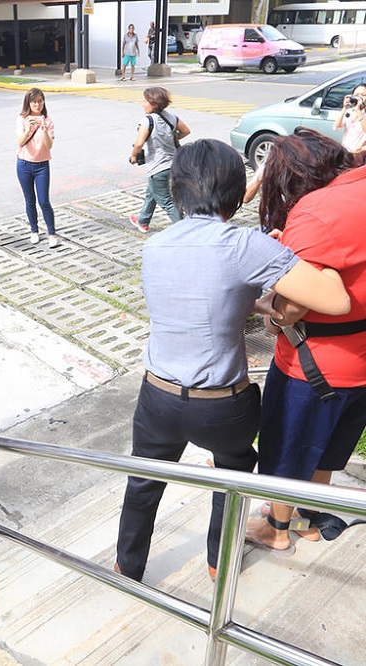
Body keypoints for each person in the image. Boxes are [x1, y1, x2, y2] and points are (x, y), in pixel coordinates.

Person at [115, 139, 351, 582]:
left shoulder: (156, 246)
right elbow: (335, 301)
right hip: (223, 406)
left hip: (158, 397)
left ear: (177, 188)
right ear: (234, 190)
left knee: (143, 480)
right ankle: (218, 564)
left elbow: (211, 297)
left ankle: (126, 568)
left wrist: (260, 284)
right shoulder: (246, 245)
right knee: (233, 477)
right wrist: (319, 259)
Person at [244, 128, 366, 552]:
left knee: (289, 450)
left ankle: (277, 529)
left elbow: (289, 308)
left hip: (313, 367)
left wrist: (267, 313)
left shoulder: (314, 211)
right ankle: (310, 521)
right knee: (330, 450)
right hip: (360, 364)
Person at [128, 87, 190, 233]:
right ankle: (143, 221)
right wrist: (169, 139)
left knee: (167, 201)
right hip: (173, 164)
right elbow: (186, 131)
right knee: (151, 192)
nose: (143, 104)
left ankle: (186, 231)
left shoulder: (147, 120)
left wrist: (133, 156)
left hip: (158, 167)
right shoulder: (171, 117)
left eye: (145, 101)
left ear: (154, 104)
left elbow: (139, 143)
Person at [16, 87, 59, 248]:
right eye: (34, 102)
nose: (37, 104)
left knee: (44, 201)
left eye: (40, 101)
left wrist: (45, 130)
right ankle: (34, 230)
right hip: (24, 164)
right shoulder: (22, 119)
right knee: (29, 201)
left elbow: (49, 146)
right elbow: (20, 142)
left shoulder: (48, 121)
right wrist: (28, 129)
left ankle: (52, 233)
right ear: (28, 103)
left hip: (42, 166)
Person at [332, 84, 366, 154]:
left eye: (363, 95)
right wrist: (344, 108)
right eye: (356, 94)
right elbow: (336, 127)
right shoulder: (349, 112)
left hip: (359, 154)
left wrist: (358, 111)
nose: (359, 97)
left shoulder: (362, 114)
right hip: (346, 152)